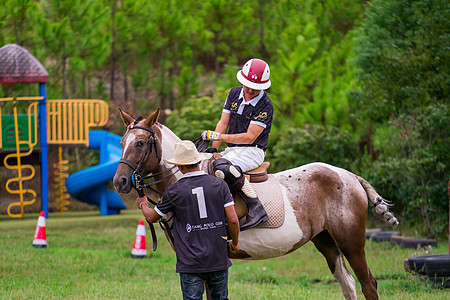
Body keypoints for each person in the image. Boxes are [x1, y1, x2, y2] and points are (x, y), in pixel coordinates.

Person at [136, 140, 240, 300]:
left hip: (190, 262)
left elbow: (152, 217)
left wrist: (143, 203)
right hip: (218, 258)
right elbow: (233, 220)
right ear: (199, 161)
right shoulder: (220, 185)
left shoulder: (173, 191)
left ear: (180, 166)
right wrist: (235, 241)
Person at [202, 58, 273, 230]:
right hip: (232, 149)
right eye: (246, 85)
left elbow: (249, 137)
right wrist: (213, 148)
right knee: (206, 165)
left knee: (224, 169)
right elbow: (222, 123)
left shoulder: (266, 106)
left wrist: (220, 136)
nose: (249, 90)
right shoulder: (234, 93)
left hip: (253, 151)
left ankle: (256, 207)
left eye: (254, 88)